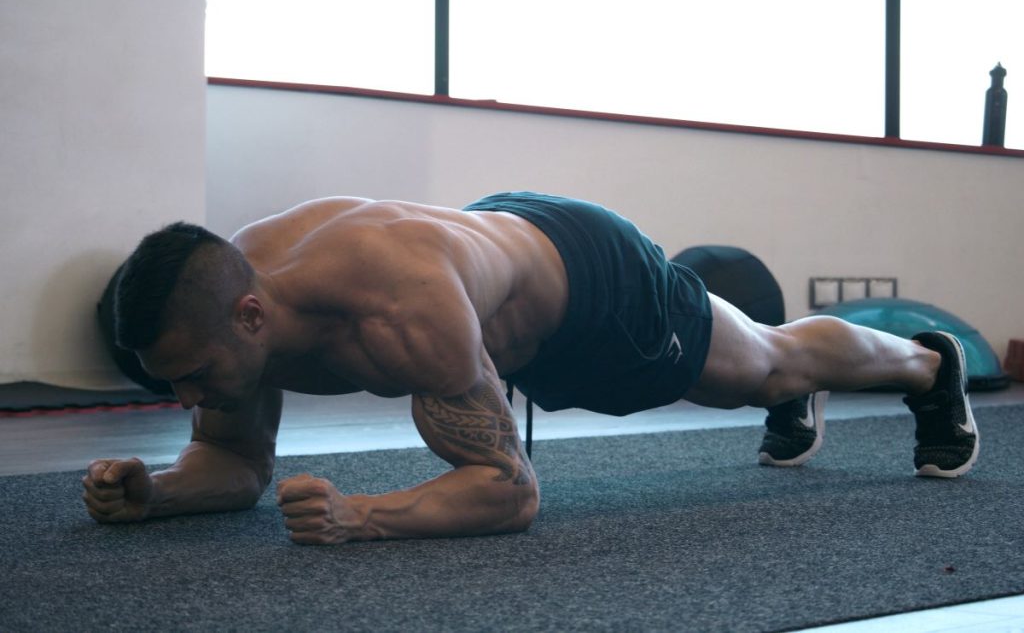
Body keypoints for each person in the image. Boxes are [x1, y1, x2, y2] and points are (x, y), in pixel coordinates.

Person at [82, 193, 979, 544]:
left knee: (767, 367)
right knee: (766, 369)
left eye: (196, 376)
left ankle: (923, 367)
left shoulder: (398, 310)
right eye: (174, 385)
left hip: (595, 285)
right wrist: (156, 490)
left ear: (250, 317)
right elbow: (235, 463)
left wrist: (365, 514)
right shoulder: (233, 307)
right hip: (501, 270)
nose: (190, 399)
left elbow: (511, 492)